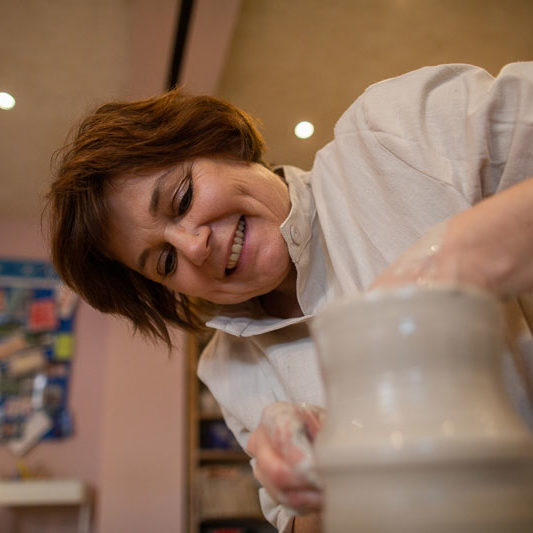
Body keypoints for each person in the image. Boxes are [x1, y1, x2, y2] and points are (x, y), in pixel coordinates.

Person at [47, 62, 533, 532]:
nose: (193, 248)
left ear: (223, 143)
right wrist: (320, 479)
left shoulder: (392, 136)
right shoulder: (228, 370)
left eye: (183, 198)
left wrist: (478, 244)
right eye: (166, 262)